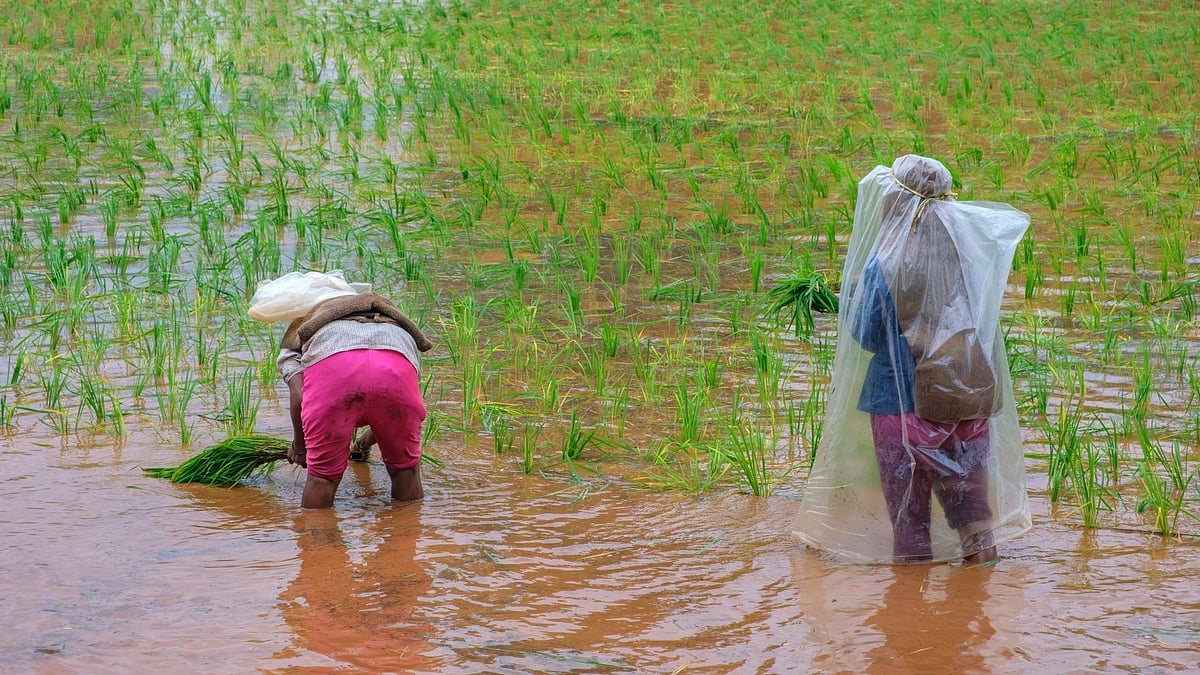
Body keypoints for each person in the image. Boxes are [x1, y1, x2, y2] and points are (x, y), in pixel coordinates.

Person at [793, 155, 1031, 564]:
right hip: (965, 407)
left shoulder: (883, 261)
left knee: (910, 523)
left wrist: (846, 303)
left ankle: (909, 622)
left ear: (895, 201)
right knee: (974, 522)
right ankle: (976, 611)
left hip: (901, 411)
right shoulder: (969, 254)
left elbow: (867, 336)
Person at [271, 282, 433, 508]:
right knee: (405, 470)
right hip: (395, 365)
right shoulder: (393, 325)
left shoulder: (298, 337)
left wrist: (300, 448)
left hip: (337, 369)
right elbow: (386, 408)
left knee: (322, 478)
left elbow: (299, 398)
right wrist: (362, 446)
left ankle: (319, 540)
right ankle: (405, 536)